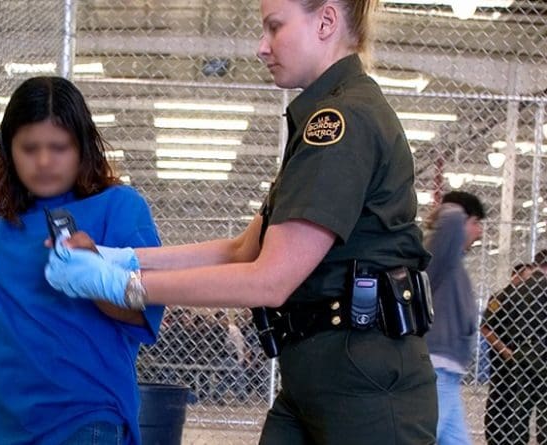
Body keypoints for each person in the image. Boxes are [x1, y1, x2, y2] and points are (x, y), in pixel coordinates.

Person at [44, 0, 437, 443]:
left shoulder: (340, 123)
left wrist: (125, 286)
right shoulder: (322, 121)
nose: (261, 47)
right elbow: (241, 250)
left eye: (274, 28)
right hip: (318, 378)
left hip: (364, 389)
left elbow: (269, 280)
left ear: (326, 21)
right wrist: (120, 258)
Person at [0, 77, 164, 444]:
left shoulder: (118, 208)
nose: (43, 161)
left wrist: (95, 275)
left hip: (88, 420)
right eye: (29, 147)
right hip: (7, 429)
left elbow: (143, 310)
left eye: (59, 147)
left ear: (83, 148)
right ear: (9, 150)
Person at [423, 190, 486, 445]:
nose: (479, 231)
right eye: (475, 223)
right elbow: (449, 218)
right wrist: (454, 207)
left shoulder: (453, 264)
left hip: (447, 372)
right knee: (424, 437)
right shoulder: (441, 254)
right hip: (437, 369)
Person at [483, 252, 547, 445]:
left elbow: (486, 326)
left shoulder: (512, 292)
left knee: (518, 410)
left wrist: (508, 352)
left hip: (518, 356)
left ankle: (514, 440)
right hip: (541, 354)